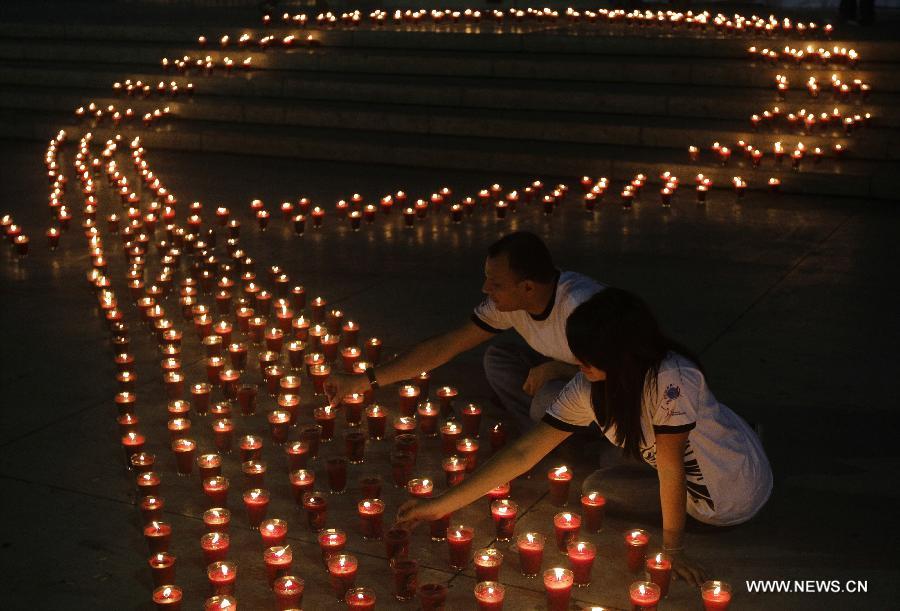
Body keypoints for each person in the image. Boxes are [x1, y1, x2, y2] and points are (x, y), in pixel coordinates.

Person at [396, 288, 773, 587]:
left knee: (601, 485)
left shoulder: (671, 380)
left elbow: (672, 469)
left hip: (723, 499)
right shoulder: (593, 385)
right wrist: (443, 504)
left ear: (620, 356)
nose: (578, 366)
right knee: (612, 461)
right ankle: (735, 442)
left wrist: (672, 549)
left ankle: (736, 456)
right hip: (708, 447)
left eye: (587, 359)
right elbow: (525, 451)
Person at [325, 231, 604, 434]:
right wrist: (364, 381)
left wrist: (558, 370)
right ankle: (544, 431)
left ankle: (569, 437)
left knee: (544, 402)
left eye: (495, 284)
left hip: (610, 385)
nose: (485, 289)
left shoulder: (581, 307)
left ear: (528, 287)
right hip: (570, 371)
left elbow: (631, 370)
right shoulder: (510, 304)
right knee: (498, 359)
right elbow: (447, 345)